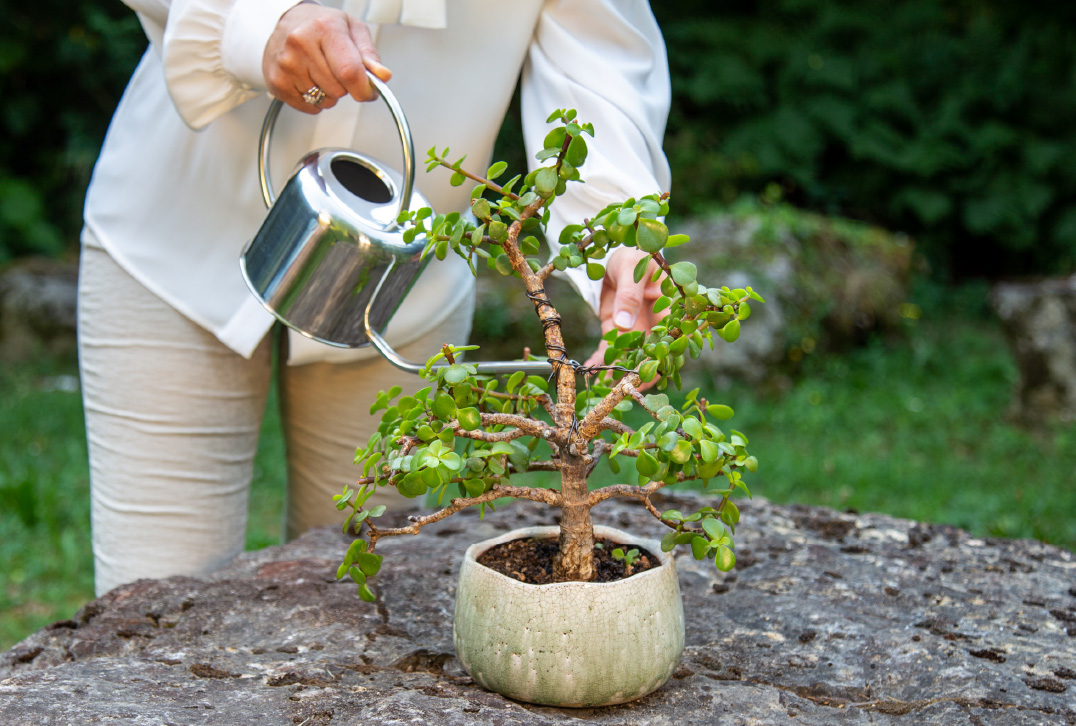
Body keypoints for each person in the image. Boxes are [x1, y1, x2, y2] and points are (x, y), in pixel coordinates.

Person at [79, 0, 672, 597]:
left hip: (395, 293)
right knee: (151, 600)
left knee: (354, 601)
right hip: (174, 241)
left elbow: (600, 55)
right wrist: (252, 26)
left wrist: (618, 233)